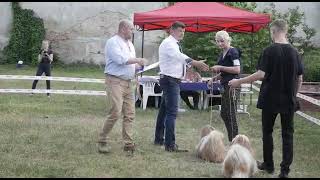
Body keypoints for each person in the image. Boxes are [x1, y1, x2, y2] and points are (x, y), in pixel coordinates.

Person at [228, 19, 304, 178]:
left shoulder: (269, 51)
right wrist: (294, 95)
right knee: (287, 135)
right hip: (289, 100)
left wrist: (238, 81)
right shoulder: (295, 52)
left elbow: (261, 75)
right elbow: (300, 78)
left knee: (267, 132)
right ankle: (284, 171)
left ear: (274, 31)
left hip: (270, 99)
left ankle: (269, 165)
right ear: (286, 31)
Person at [154, 21, 209, 152]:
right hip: (170, 80)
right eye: (180, 31)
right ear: (171, 30)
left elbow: (179, 60)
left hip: (170, 80)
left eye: (184, 32)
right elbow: (179, 56)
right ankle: (170, 145)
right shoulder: (169, 43)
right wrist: (195, 62)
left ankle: (158, 139)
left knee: (163, 111)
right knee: (172, 113)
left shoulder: (174, 44)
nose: (182, 34)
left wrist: (191, 67)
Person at [97, 19, 147, 154]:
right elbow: (120, 60)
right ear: (123, 28)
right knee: (115, 112)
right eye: (131, 29)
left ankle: (128, 144)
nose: (132, 31)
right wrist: (137, 60)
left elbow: (132, 64)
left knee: (130, 114)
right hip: (114, 81)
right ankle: (102, 140)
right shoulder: (112, 42)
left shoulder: (130, 44)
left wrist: (140, 66)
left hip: (128, 82)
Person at [210, 30, 241, 142]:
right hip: (224, 85)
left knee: (231, 114)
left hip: (232, 86)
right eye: (217, 41)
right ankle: (232, 139)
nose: (219, 44)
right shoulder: (222, 52)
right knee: (224, 113)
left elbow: (237, 70)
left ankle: (235, 142)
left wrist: (220, 67)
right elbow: (224, 73)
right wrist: (213, 79)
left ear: (228, 39)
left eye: (222, 41)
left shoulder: (233, 52)